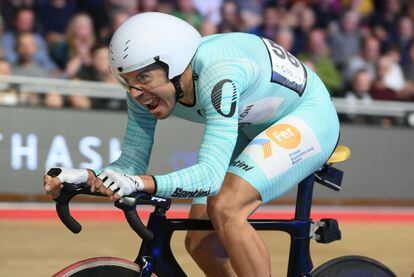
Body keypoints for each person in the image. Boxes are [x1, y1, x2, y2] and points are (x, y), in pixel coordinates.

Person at [44, 12, 340, 276]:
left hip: (308, 116)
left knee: (225, 208)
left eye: (144, 77)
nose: (135, 92)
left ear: (174, 64)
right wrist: (87, 177)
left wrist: (141, 183)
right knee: (200, 242)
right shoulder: (143, 91)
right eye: (126, 81)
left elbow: (210, 178)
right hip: (250, 124)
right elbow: (131, 165)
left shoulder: (219, 75)